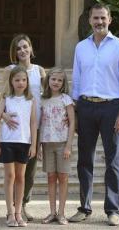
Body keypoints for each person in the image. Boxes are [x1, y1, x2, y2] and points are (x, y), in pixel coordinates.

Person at [69, 3, 119, 226]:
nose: (99, 22)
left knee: (113, 161)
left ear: (110, 20)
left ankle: (113, 210)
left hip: (111, 108)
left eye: (103, 18)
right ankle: (84, 208)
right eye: (95, 18)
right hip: (86, 107)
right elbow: (76, 82)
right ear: (89, 20)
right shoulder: (81, 48)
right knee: (84, 161)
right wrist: (75, 115)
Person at [0, 34, 46, 221]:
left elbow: (48, 95)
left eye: (25, 46)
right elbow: (1, 98)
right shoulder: (9, 70)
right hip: (15, 129)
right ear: (14, 52)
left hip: (34, 126)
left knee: (30, 171)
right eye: (18, 48)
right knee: (13, 173)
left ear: (31, 48)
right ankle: (12, 210)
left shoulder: (40, 71)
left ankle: (22, 206)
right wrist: (3, 116)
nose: (22, 51)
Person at [0, 65, 37, 227]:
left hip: (24, 143)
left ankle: (19, 214)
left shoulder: (30, 100)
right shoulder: (6, 98)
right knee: (9, 176)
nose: (20, 83)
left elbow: (33, 123)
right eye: (17, 80)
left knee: (20, 177)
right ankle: (10, 214)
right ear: (11, 81)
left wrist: (33, 145)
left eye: (24, 80)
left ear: (27, 82)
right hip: (7, 142)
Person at [38, 67, 75, 225]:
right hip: (47, 144)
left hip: (62, 144)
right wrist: (38, 145)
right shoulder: (42, 99)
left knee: (63, 177)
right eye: (53, 79)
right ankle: (52, 212)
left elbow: (73, 122)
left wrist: (68, 145)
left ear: (63, 83)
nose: (56, 82)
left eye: (60, 80)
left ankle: (61, 213)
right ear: (48, 80)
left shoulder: (66, 99)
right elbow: (39, 123)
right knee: (51, 177)